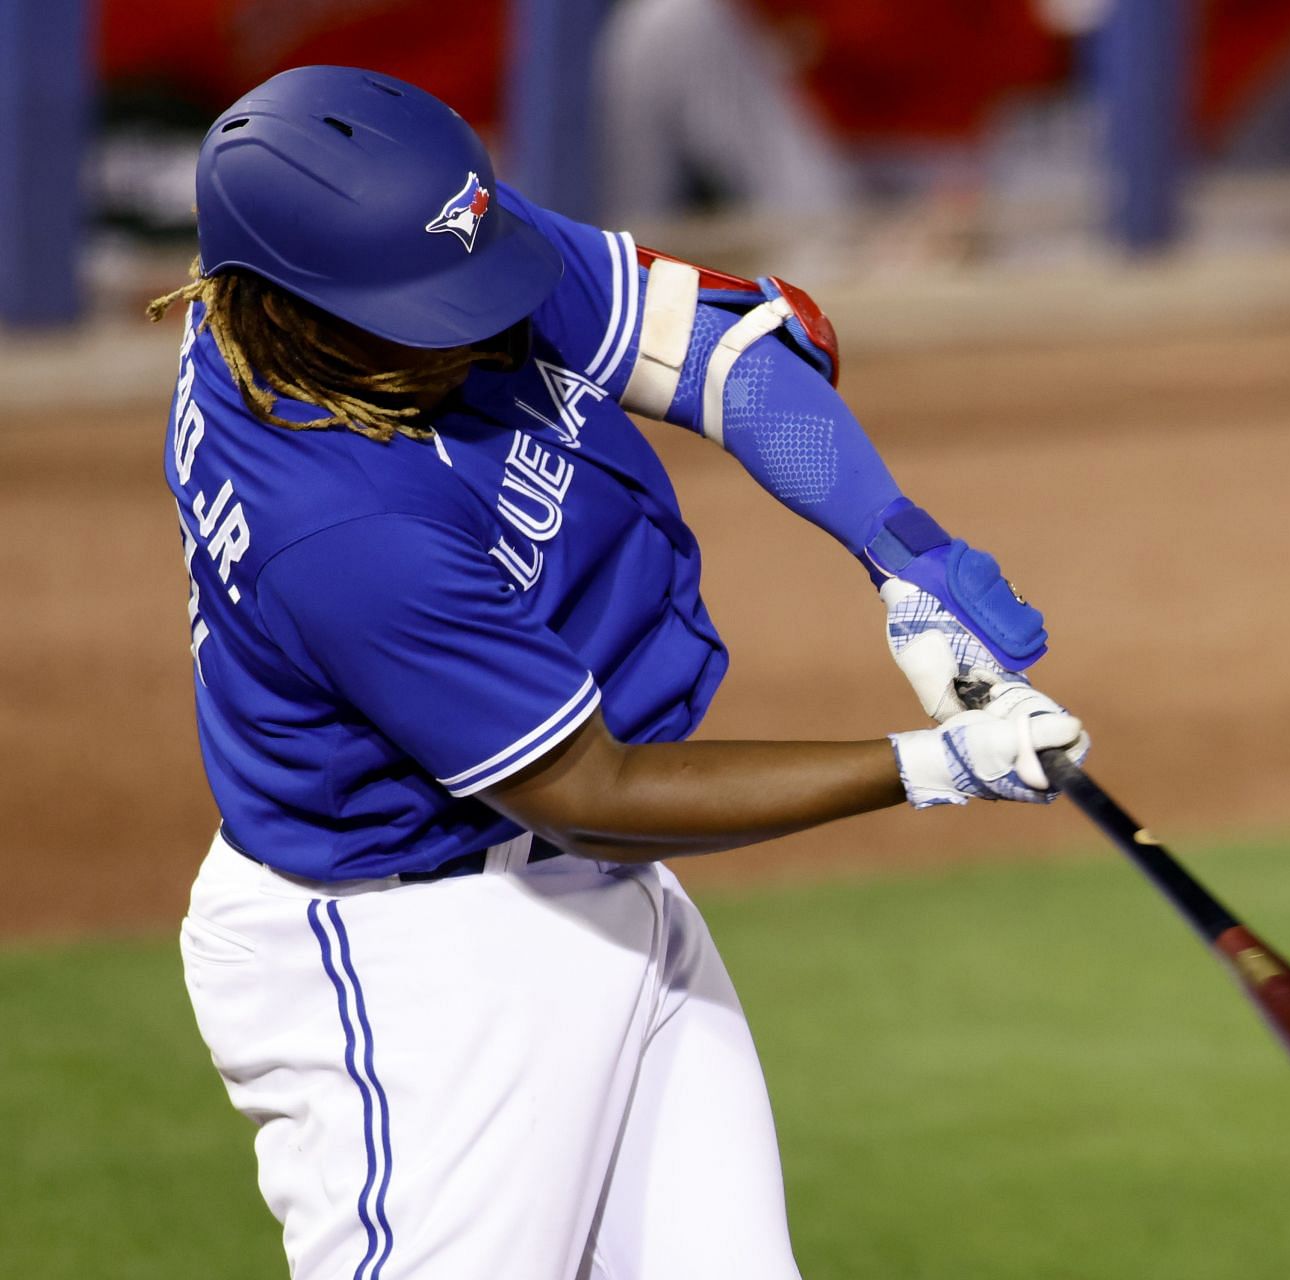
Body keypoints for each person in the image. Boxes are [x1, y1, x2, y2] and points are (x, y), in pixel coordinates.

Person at [151, 65, 1087, 1280]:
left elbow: (709, 352)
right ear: (299, 311)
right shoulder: (334, 528)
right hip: (414, 967)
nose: (482, 318)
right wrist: (932, 765)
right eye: (436, 302)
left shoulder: (401, 247)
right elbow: (589, 786)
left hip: (597, 894)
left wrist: (901, 554)